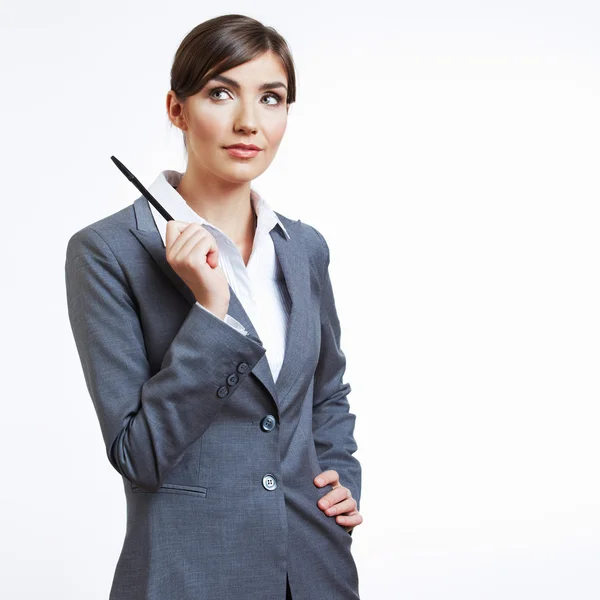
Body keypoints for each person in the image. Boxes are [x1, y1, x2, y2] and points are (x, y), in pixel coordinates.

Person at [65, 14, 362, 600]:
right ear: (177, 109)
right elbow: (139, 454)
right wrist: (210, 312)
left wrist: (342, 477)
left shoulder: (304, 248)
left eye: (271, 98)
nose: (248, 121)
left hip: (313, 569)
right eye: (221, 93)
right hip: (188, 573)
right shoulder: (107, 253)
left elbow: (326, 391)